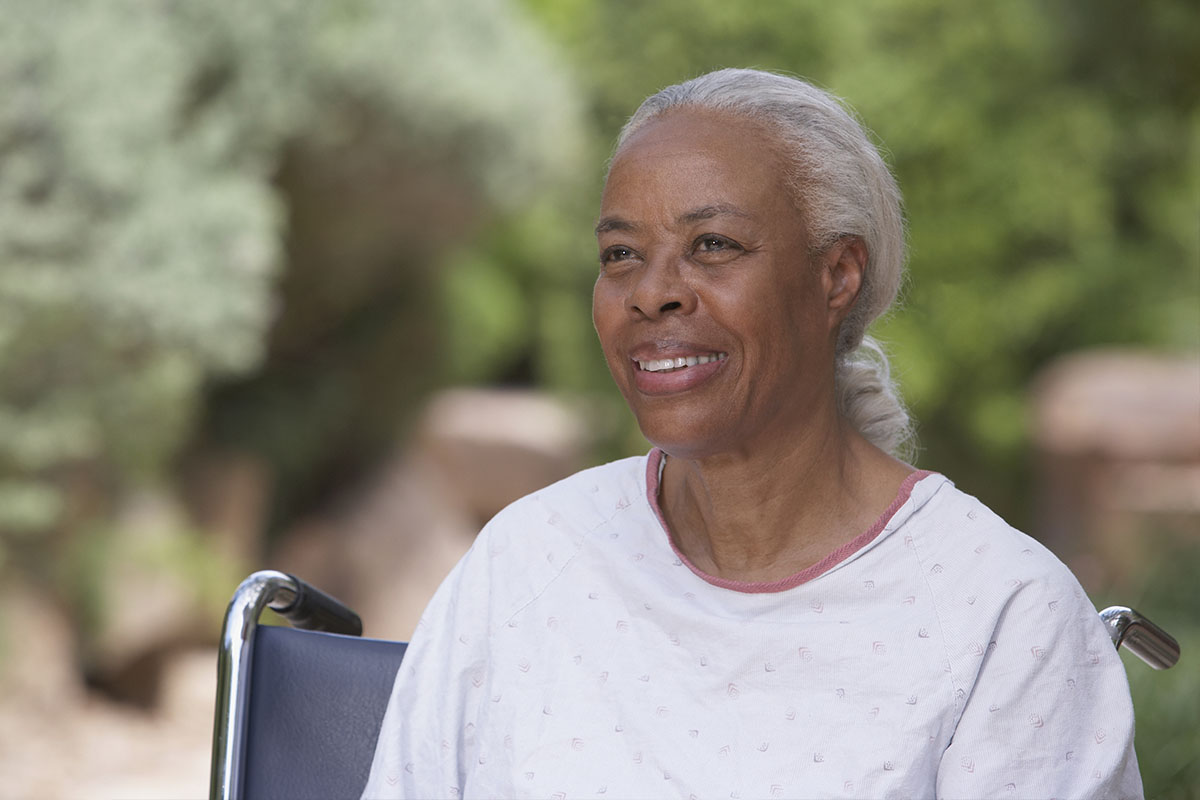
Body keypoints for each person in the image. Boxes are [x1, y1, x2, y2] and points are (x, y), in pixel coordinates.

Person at [362, 68, 1142, 799]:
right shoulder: (527, 560)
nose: (654, 293)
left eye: (713, 246)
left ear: (837, 276)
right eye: (621, 254)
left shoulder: (1006, 616)